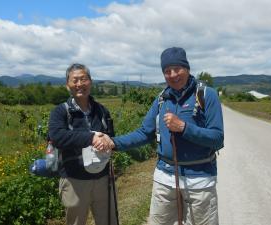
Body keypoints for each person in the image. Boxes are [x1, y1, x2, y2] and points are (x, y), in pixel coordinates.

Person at [97, 47, 224, 225]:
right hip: (165, 177)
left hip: (200, 180)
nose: (172, 75)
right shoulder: (162, 99)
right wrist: (113, 142)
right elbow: (144, 133)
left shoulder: (205, 95)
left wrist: (184, 127)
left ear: (187, 68)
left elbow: (217, 138)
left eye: (177, 69)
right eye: (167, 71)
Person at [48, 63, 117, 225]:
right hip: (74, 180)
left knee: (108, 221)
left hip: (103, 177)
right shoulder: (60, 112)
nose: (79, 84)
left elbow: (111, 136)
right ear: (67, 85)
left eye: (83, 79)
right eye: (75, 80)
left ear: (90, 82)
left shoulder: (102, 111)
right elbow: (58, 137)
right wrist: (91, 138)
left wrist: (107, 142)